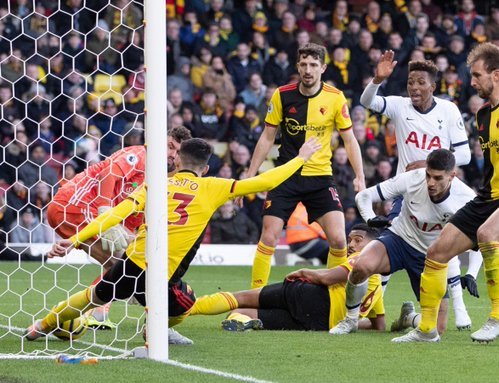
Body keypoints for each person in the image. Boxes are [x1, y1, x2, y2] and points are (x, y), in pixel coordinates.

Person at [25, 137, 322, 344]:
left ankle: (40, 327)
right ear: (205, 168)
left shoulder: (155, 184)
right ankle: (155, 333)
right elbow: (267, 182)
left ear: (178, 160)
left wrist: (72, 239)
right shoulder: (213, 186)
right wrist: (301, 157)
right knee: (186, 305)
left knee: (93, 298)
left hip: (132, 263)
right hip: (162, 275)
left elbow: (115, 214)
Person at [392, 43, 499, 344]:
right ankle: (426, 329)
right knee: (436, 252)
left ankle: (498, 318)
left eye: (477, 75)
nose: (471, 82)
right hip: (488, 197)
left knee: (487, 234)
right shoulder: (484, 114)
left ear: (496, 74)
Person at [358, 50, 476, 304]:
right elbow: (367, 102)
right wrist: (377, 80)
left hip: (442, 189)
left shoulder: (448, 110)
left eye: (421, 82)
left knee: (448, 243)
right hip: (407, 191)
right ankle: (374, 307)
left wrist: (428, 163)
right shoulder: (401, 107)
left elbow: (464, 154)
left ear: (433, 86)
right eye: (411, 82)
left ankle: (457, 306)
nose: (414, 87)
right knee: (389, 240)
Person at [45, 126, 192, 329]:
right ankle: (79, 312)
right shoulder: (141, 154)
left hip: (81, 213)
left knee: (124, 265)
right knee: (125, 265)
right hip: (75, 204)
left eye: (177, 151)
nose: (172, 154)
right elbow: (109, 172)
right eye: (169, 146)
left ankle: (88, 314)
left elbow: (134, 219)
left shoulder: (158, 179)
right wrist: (105, 209)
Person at [244, 43, 365, 289]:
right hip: (286, 175)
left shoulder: (335, 97)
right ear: (298, 66)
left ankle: (333, 298)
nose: (308, 70)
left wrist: (360, 176)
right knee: (268, 236)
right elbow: (267, 137)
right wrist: (249, 175)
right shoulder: (282, 94)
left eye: (313, 65)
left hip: (320, 177)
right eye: (303, 65)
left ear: (323, 67)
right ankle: (255, 297)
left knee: (340, 239)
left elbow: (349, 139)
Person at [329, 149, 480, 337]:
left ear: (452, 176)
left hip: (430, 257)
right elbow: (364, 196)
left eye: (438, 178)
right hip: (399, 238)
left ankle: (408, 317)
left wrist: (472, 274)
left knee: (436, 329)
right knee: (361, 266)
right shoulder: (412, 178)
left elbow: (480, 238)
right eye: (428, 175)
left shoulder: (466, 199)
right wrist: (370, 218)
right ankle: (350, 320)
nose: (431, 183)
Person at [189, 223, 385, 331]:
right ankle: (242, 322)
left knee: (240, 298)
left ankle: (185, 308)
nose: (351, 245)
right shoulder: (379, 286)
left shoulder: (361, 260)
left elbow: (327, 278)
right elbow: (379, 326)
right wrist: (346, 322)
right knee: (243, 312)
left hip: (311, 296)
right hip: (320, 324)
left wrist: (303, 273)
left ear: (373, 245)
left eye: (357, 241)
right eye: (350, 240)